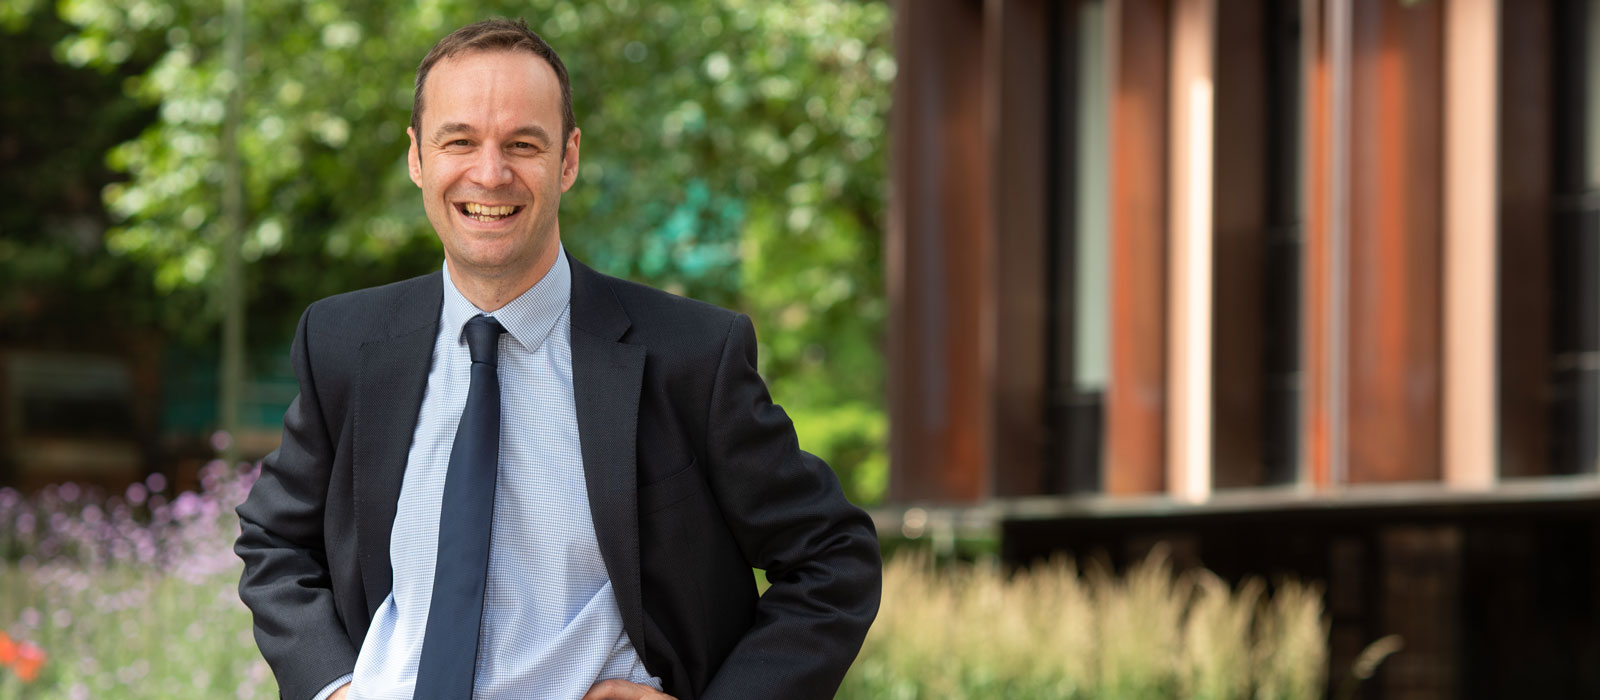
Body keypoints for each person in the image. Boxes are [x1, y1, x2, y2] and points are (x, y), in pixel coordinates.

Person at [234, 17, 881, 700]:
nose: (490, 173)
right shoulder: (343, 342)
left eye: (523, 143)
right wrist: (331, 688)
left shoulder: (693, 357)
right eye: (459, 141)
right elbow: (275, 540)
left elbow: (833, 560)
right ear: (417, 157)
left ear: (567, 159)